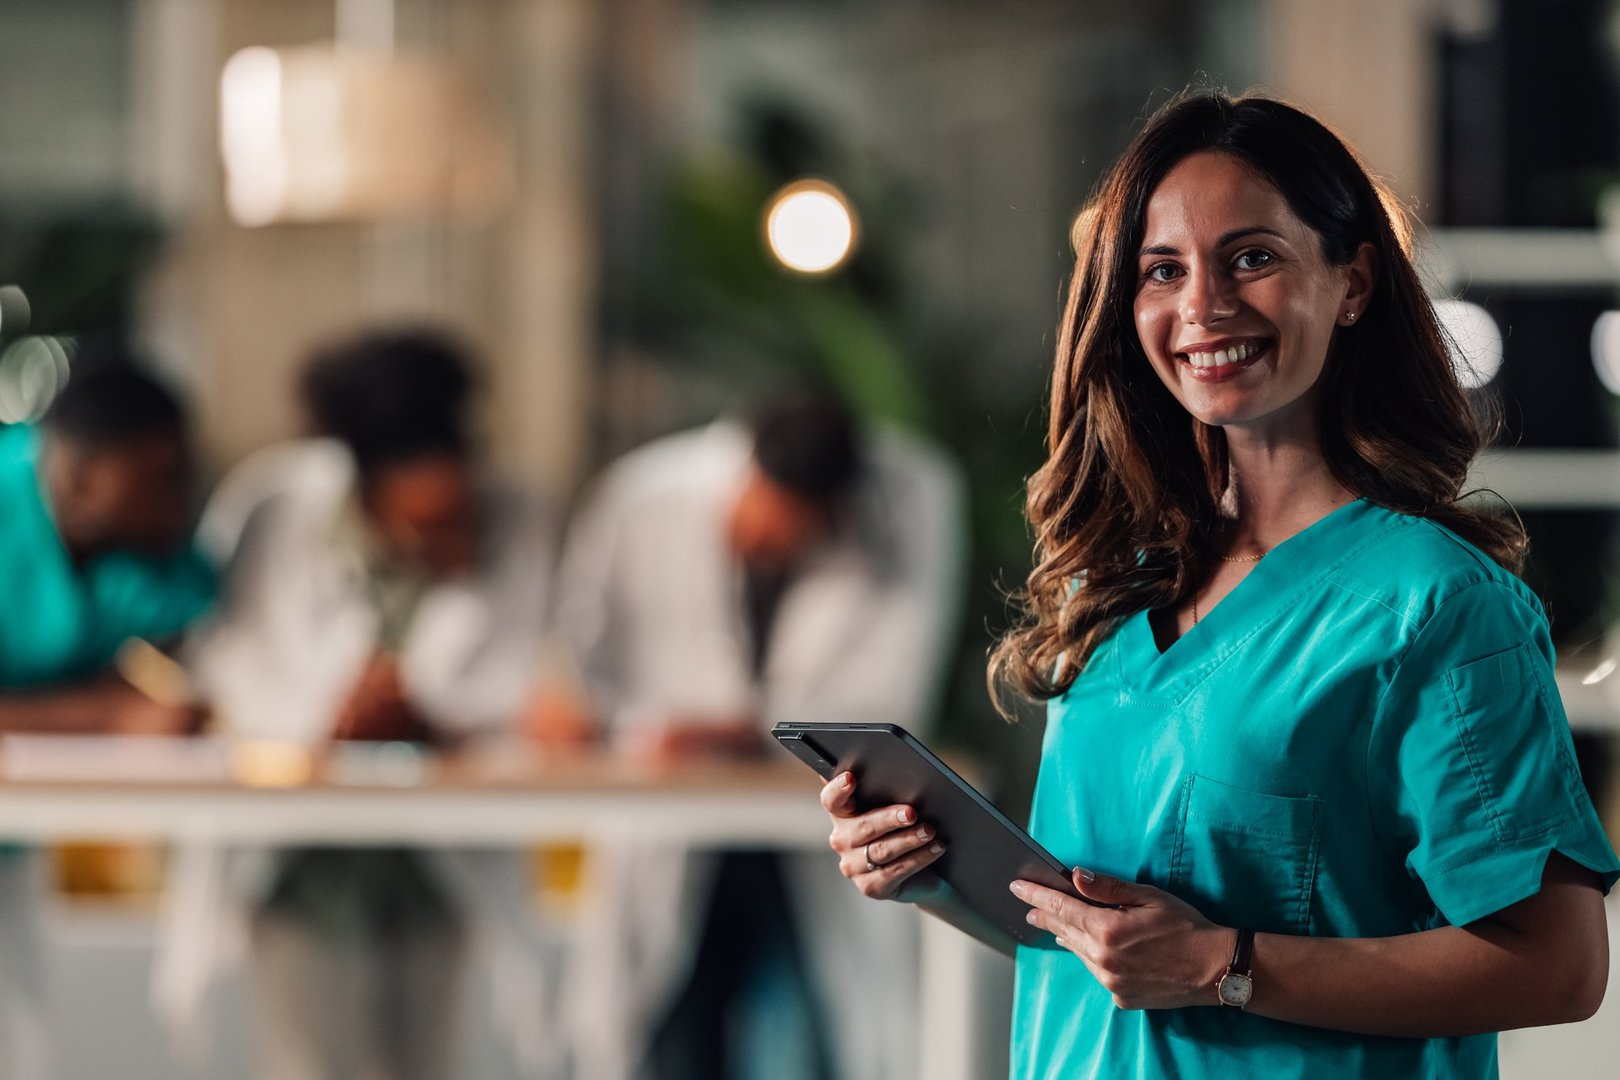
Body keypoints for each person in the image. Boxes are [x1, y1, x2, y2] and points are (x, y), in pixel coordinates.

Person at [818, 89, 1620, 1079]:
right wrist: (937, 878)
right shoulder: (1119, 593)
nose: (1203, 305)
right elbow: (1115, 959)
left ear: (1354, 281)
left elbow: (1561, 967)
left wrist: (1225, 965)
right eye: (1163, 270)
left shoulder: (1435, 606)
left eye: (1252, 258)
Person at [167, 329, 555, 1080]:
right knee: (314, 1064)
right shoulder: (276, 504)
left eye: (446, 519)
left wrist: (434, 717)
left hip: (438, 861)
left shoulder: (507, 514)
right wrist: (329, 722)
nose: (432, 534)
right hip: (303, 864)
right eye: (415, 519)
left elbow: (528, 672)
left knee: (428, 1063)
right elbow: (228, 663)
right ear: (365, 482)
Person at [544, 391, 966, 1080]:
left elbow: (893, 689)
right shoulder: (644, 498)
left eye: (793, 529)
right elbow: (578, 657)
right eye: (762, 517)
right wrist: (614, 722)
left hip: (814, 821)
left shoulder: (910, 502)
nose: (769, 540)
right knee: (674, 1019)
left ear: (833, 515)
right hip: (677, 819)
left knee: (817, 1026)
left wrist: (740, 726)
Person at [0, 355, 216, 1080]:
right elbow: (129, 707)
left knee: (20, 1042)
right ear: (79, 476)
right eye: (154, 480)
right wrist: (105, 711)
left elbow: (184, 667)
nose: (176, 501)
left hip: (14, 837)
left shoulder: (146, 550)